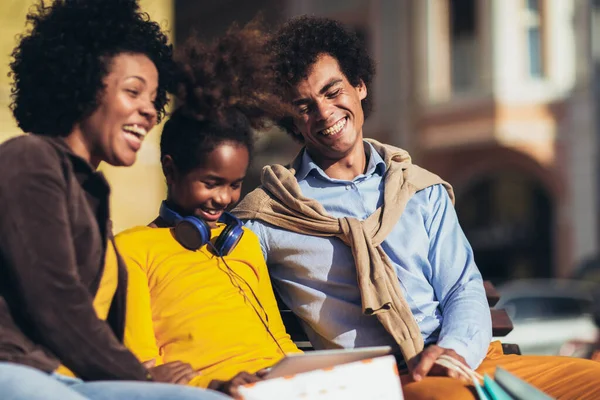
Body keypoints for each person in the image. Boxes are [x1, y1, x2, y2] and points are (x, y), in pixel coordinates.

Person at [234, 15, 600, 399]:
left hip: (468, 357)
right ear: (292, 118)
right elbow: (219, 289)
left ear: (359, 86)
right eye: (304, 105)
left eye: (332, 91)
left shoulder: (418, 188)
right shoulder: (270, 215)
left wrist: (453, 351)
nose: (324, 113)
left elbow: (462, 286)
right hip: (381, 380)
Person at [0, 0, 229, 399]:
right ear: (84, 85)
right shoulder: (29, 160)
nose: (150, 111)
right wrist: (140, 382)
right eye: (133, 91)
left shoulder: (89, 193)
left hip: (60, 376)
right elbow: (56, 305)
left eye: (155, 99)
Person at [116, 23, 300, 399]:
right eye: (211, 183)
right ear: (170, 169)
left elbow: (280, 340)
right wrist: (215, 385)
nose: (224, 199)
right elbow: (147, 368)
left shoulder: (243, 243)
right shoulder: (132, 250)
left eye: (234, 184)